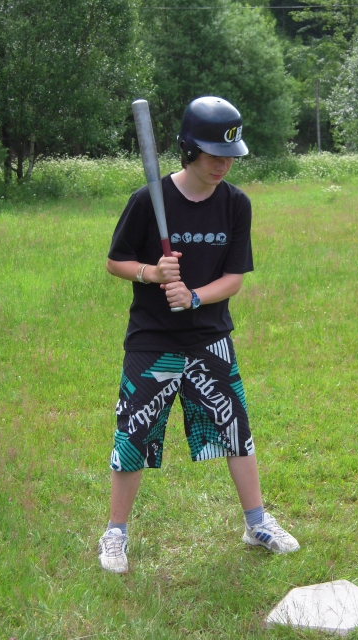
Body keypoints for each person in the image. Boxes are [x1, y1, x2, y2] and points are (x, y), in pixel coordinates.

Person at [98, 96, 300, 573]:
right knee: (134, 432)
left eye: (230, 156)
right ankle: (115, 533)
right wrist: (151, 273)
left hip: (209, 335)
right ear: (189, 149)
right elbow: (115, 261)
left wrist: (193, 297)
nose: (223, 165)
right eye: (214, 155)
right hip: (152, 339)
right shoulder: (148, 200)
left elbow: (234, 279)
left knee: (235, 429)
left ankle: (256, 523)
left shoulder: (235, 204)